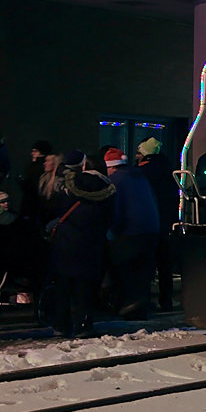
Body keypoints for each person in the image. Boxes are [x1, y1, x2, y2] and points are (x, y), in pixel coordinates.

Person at [46, 150, 114, 338]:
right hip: (91, 244)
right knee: (84, 288)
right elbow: (111, 219)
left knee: (63, 286)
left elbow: (53, 207)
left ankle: (61, 325)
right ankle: (84, 325)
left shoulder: (70, 186)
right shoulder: (108, 189)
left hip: (66, 242)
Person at [104, 148, 159, 319]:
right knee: (142, 272)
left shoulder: (114, 181)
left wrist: (111, 232)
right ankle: (140, 305)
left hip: (129, 233)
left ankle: (126, 305)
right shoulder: (140, 177)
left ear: (111, 167)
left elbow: (116, 211)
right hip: (151, 230)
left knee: (122, 269)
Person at [135, 138, 177, 310]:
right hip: (166, 221)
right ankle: (166, 300)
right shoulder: (168, 170)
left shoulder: (142, 173)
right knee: (164, 264)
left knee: (146, 264)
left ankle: (144, 300)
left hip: (148, 222)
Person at [21, 141, 52, 221]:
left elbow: (31, 185)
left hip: (35, 204)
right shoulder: (35, 166)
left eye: (35, 151)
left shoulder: (37, 167)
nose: (32, 154)